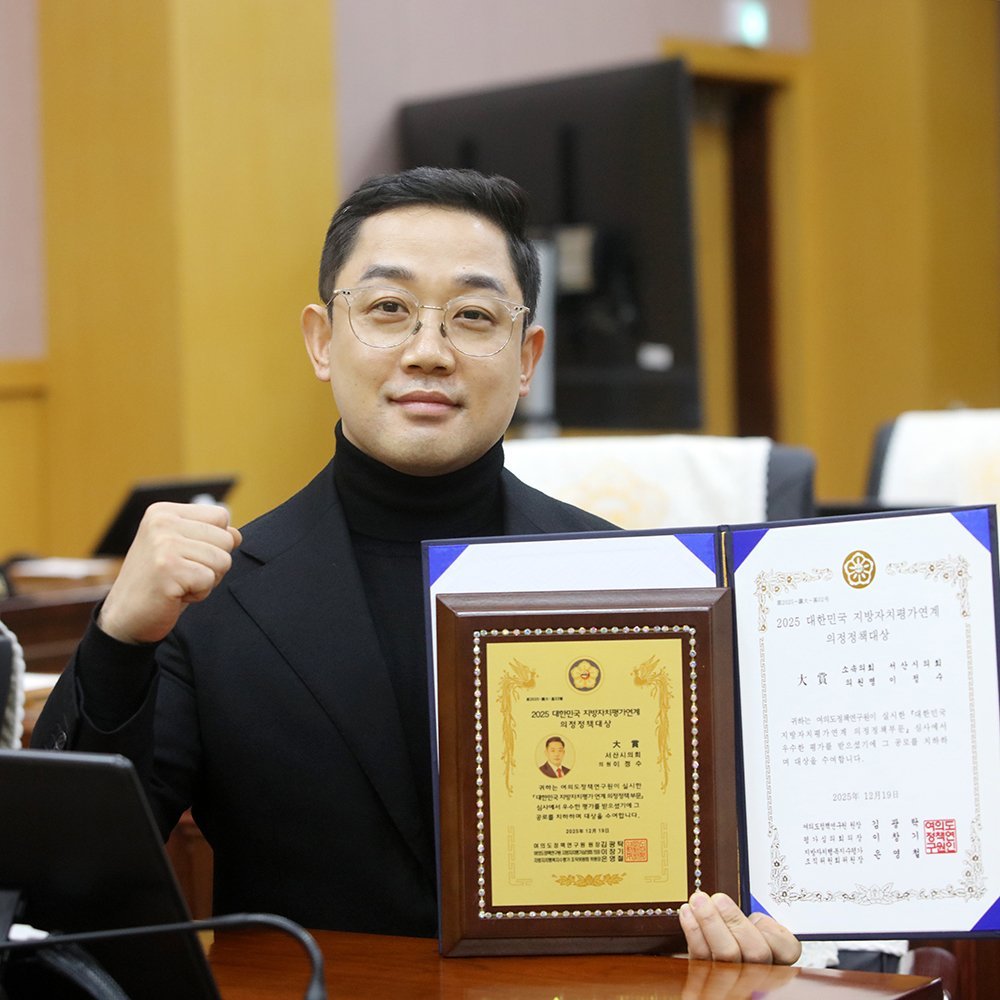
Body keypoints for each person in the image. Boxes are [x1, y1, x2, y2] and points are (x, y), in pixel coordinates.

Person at [33, 167, 799, 965]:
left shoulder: (636, 586)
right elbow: (63, 890)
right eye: (388, 310)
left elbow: (715, 862)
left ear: (527, 356)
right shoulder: (221, 595)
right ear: (322, 340)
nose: (429, 352)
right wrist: (119, 640)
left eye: (473, 317)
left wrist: (741, 933)